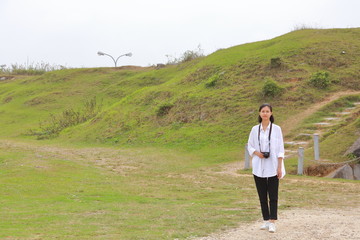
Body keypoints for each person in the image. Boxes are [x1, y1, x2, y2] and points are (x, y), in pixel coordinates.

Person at [247, 103, 285, 233]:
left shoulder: (277, 129)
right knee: (262, 195)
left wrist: (279, 167)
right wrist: (257, 153)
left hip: (273, 165)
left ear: (271, 113)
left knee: (273, 195)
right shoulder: (254, 129)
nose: (265, 113)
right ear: (259, 113)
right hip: (259, 166)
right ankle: (265, 220)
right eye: (263, 111)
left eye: (267, 111)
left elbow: (280, 149)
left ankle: (272, 221)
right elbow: (250, 146)